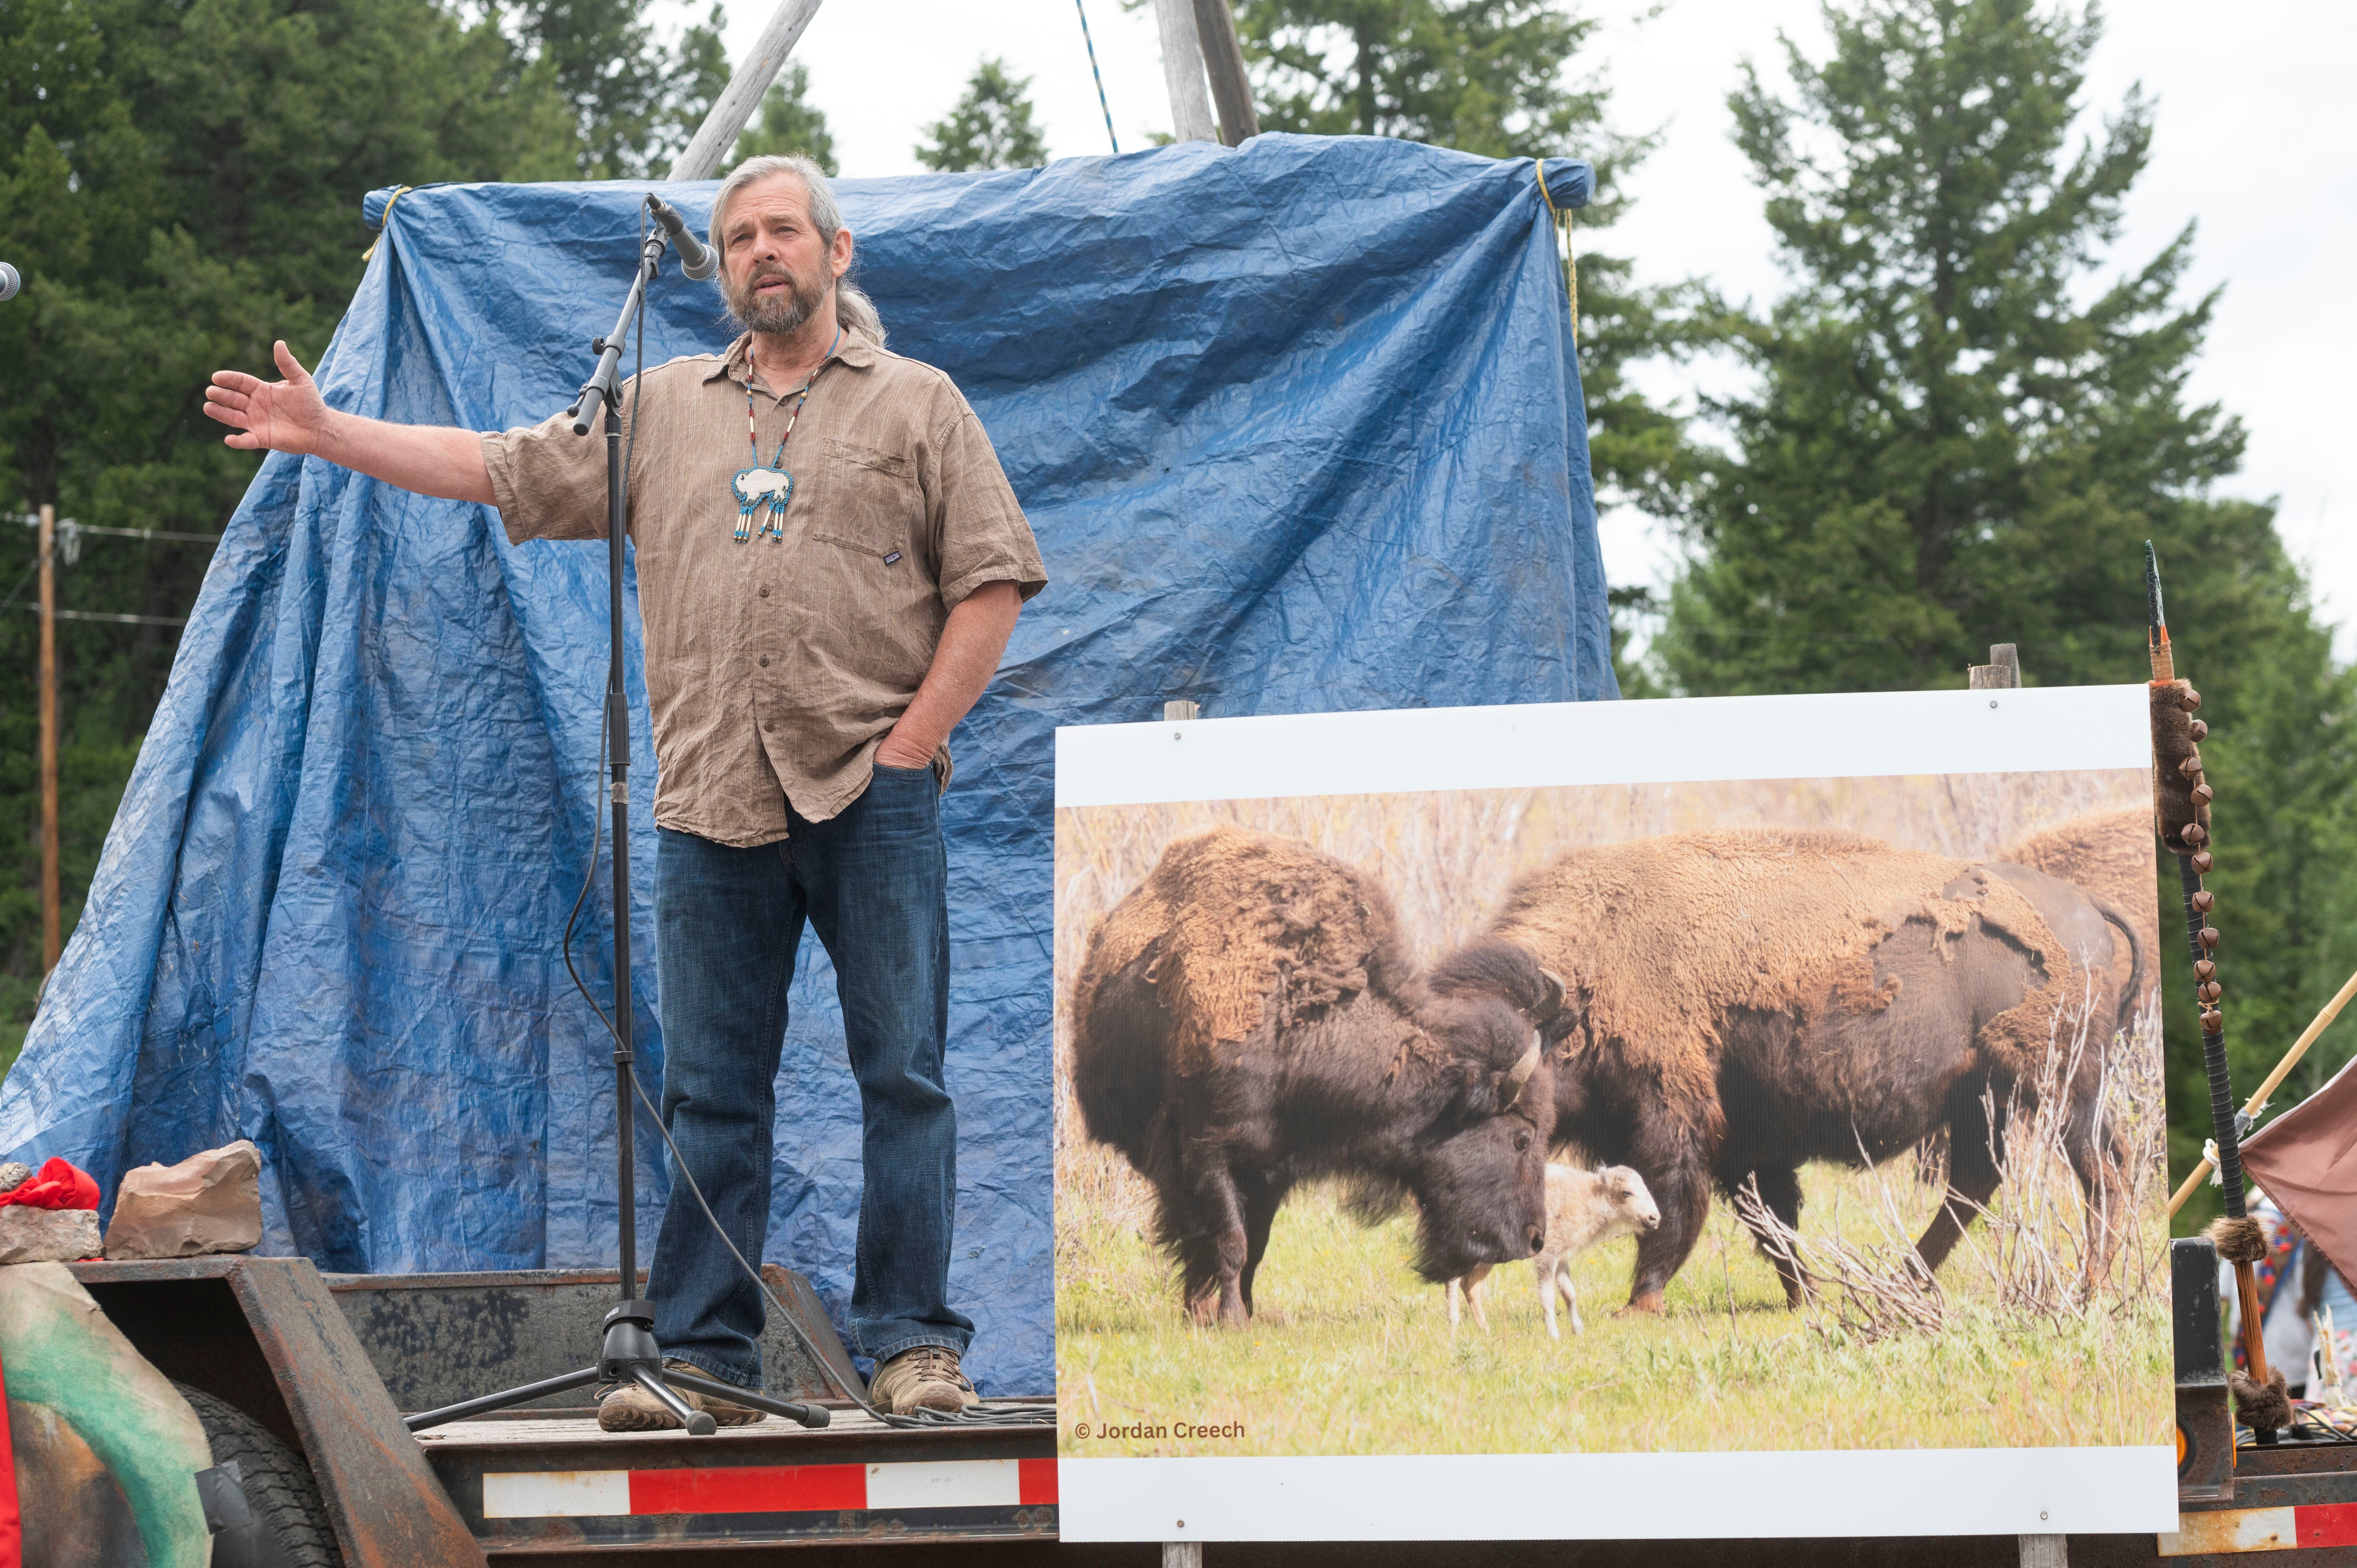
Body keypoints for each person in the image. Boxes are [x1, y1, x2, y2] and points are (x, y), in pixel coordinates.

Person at [202, 154, 1047, 1425]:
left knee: (904, 1077)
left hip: (874, 793)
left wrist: (913, 743)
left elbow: (991, 583)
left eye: (782, 231)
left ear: (836, 251)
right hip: (711, 800)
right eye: (739, 237)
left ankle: (915, 1349)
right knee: (713, 1090)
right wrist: (331, 434)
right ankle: (704, 1360)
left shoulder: (917, 405)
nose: (762, 251)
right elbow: (499, 464)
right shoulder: (656, 407)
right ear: (718, 267)